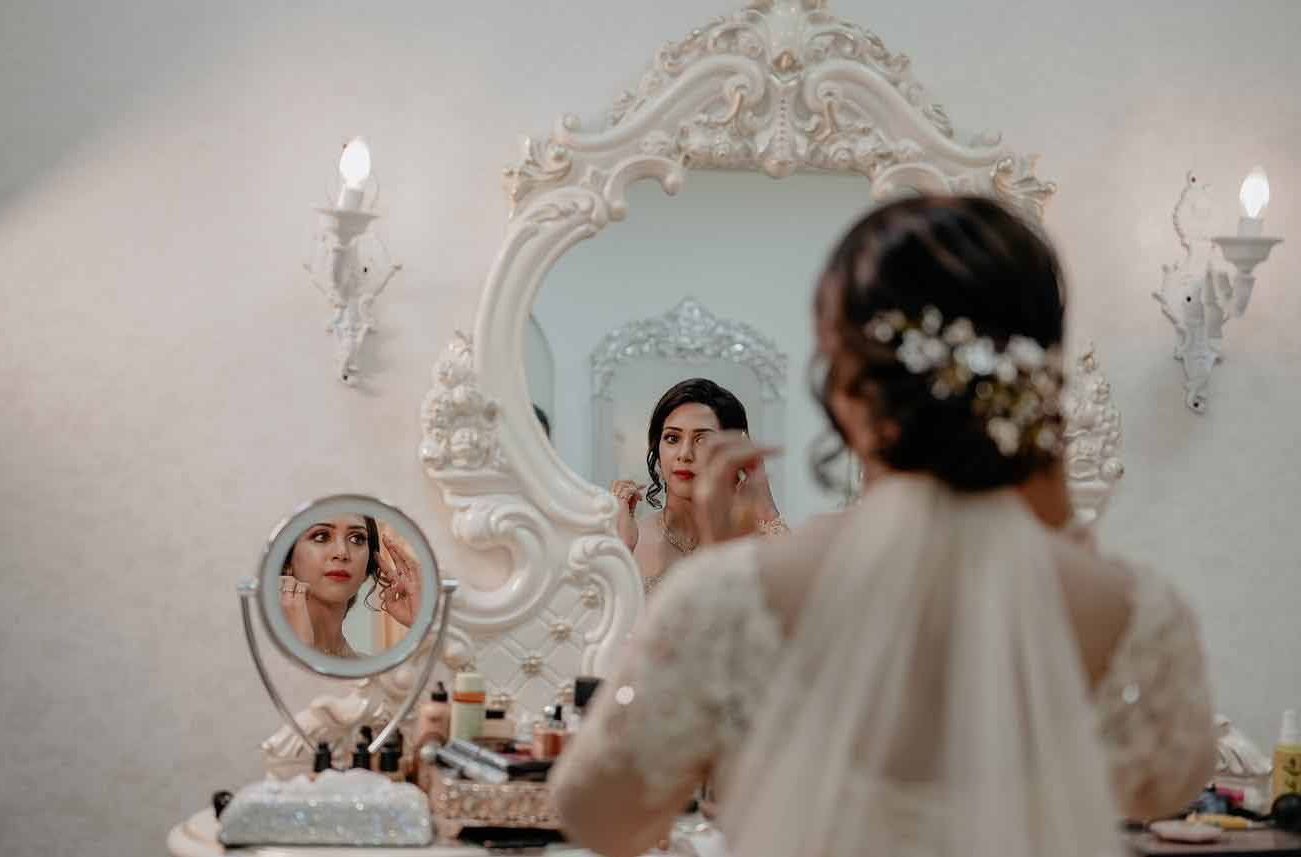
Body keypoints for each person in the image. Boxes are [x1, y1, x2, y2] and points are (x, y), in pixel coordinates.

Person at [552, 196, 1215, 857]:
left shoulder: (730, 597)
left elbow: (600, 816)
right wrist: (1062, 516)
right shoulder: (1137, 615)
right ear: (1036, 380)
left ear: (843, 386)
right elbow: (1165, 788)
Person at [609, 378, 786, 594]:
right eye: (672, 438)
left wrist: (767, 508)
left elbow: (804, 610)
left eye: (702, 440)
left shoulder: (754, 541)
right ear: (657, 449)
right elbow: (593, 622)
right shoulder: (629, 539)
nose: (684, 454)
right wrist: (621, 550)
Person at [279, 515, 422, 657]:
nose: (342, 553)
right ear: (287, 560)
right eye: (321, 536)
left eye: (356, 539)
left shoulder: (375, 673)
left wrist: (420, 623)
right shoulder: (262, 659)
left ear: (368, 567)